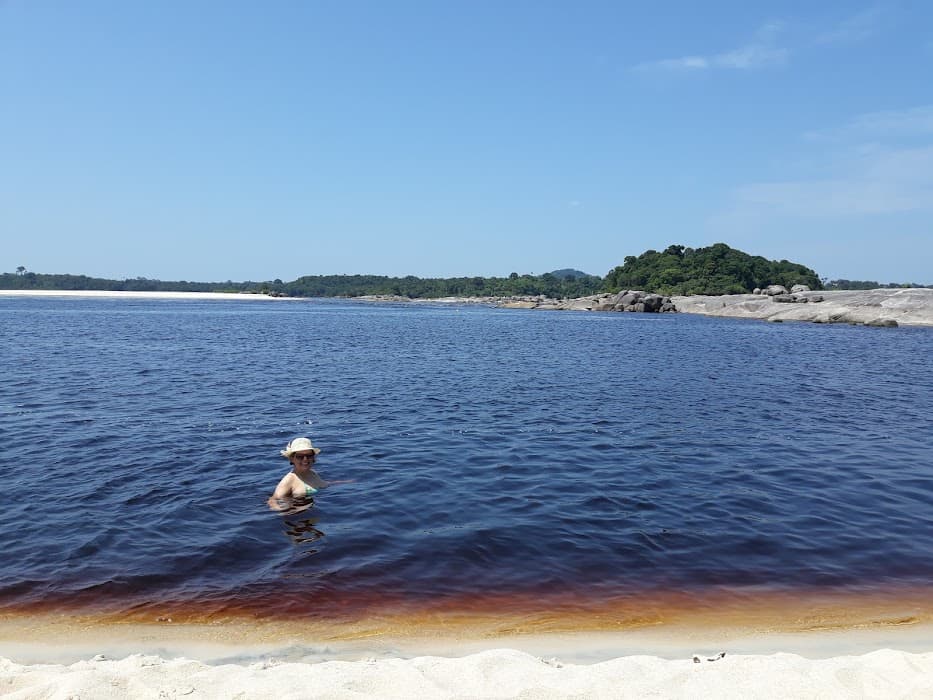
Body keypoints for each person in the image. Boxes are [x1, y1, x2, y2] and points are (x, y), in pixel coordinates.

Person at [268, 437, 351, 511]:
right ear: (292, 459)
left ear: (313, 458)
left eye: (309, 455)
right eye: (300, 456)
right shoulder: (289, 480)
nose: (305, 459)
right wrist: (282, 510)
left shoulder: (312, 473)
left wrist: (346, 482)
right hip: (296, 520)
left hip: (312, 516)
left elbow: (325, 484)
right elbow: (273, 500)